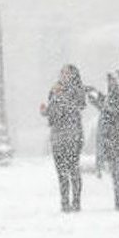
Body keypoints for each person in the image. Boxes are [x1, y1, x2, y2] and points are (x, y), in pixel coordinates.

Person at [41, 65, 86, 213]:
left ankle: (76, 202)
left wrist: (61, 97)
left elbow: (77, 107)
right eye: (62, 72)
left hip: (72, 135)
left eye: (66, 73)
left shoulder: (76, 90)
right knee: (61, 171)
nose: (63, 75)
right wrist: (45, 111)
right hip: (57, 136)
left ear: (73, 75)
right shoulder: (54, 89)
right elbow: (54, 112)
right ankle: (65, 202)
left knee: (73, 169)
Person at [90, 71, 119, 212]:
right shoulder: (112, 96)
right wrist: (96, 96)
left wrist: (97, 101)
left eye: (112, 81)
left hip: (118, 140)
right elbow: (106, 107)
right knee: (116, 175)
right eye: (109, 81)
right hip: (111, 140)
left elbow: (112, 111)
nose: (110, 84)